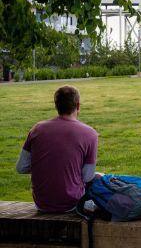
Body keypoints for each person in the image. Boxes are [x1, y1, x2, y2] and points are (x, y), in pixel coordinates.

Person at [15, 85, 98, 213]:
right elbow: (87, 177)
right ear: (78, 106)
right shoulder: (90, 133)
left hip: (42, 203)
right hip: (72, 204)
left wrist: (46, 166)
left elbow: (21, 167)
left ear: (56, 106)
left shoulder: (36, 129)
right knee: (100, 179)